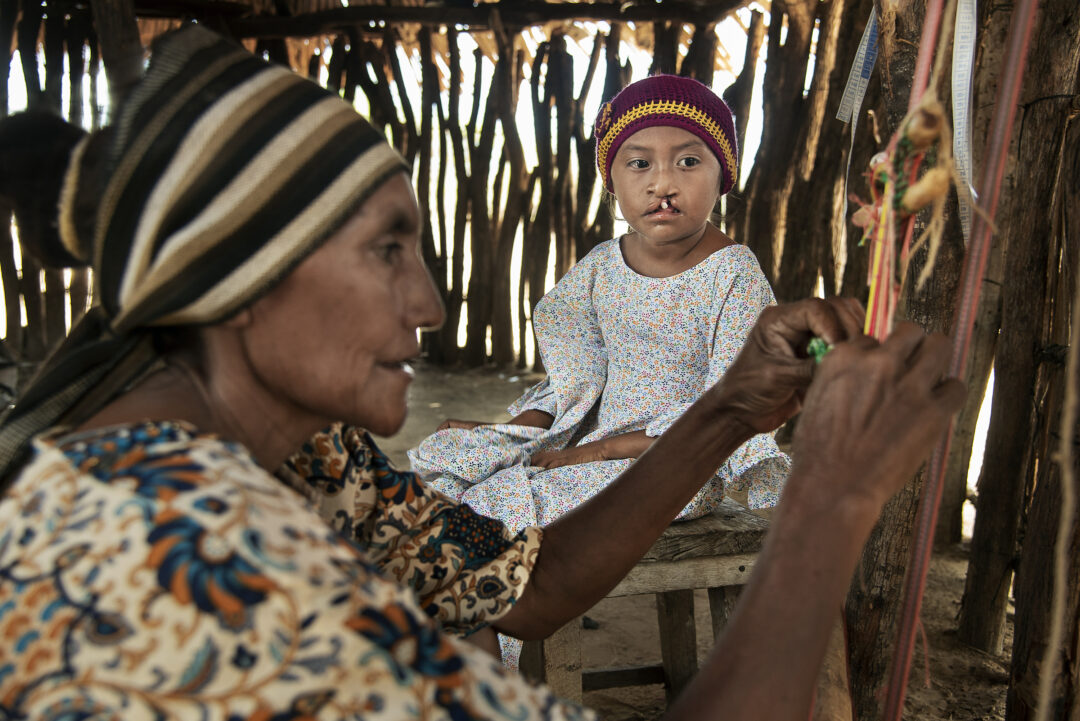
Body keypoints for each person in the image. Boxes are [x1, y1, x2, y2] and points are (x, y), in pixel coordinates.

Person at [0, 26, 964, 721]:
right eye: (387, 250)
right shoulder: (177, 553)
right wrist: (830, 501)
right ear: (236, 277)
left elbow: (524, 591)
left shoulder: (310, 459)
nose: (428, 303)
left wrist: (726, 409)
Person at [411, 75, 785, 535]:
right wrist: (515, 432)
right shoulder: (603, 267)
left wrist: (602, 451)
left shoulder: (732, 275)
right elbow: (577, 376)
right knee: (449, 461)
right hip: (590, 446)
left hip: (678, 466)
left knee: (500, 504)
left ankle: (516, 594)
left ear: (723, 175)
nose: (662, 184)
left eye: (688, 161)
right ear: (611, 181)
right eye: (640, 164)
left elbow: (731, 404)